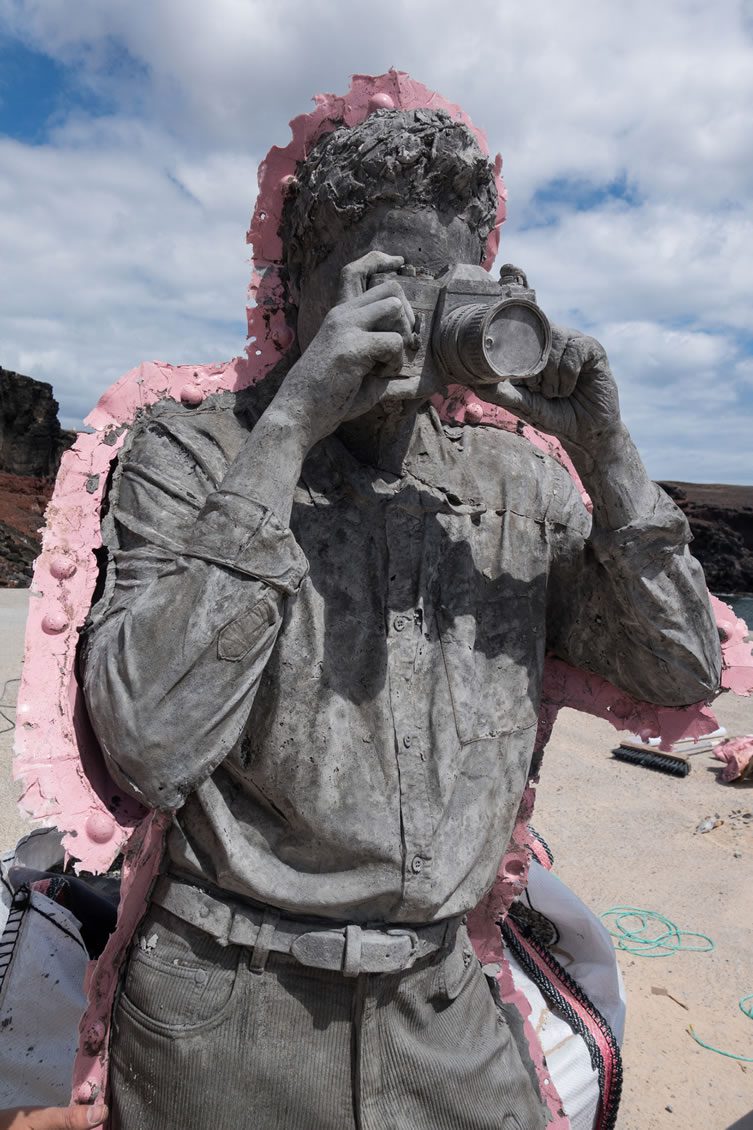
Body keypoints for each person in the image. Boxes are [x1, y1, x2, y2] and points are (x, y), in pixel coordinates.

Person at [81, 108, 721, 1129]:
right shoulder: (197, 456)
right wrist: (291, 427)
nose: (416, 315)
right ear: (298, 289)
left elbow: (685, 669)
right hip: (227, 1007)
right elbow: (150, 741)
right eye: (381, 280)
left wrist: (605, 448)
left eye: (443, 284)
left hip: (440, 1002)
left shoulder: (518, 485)